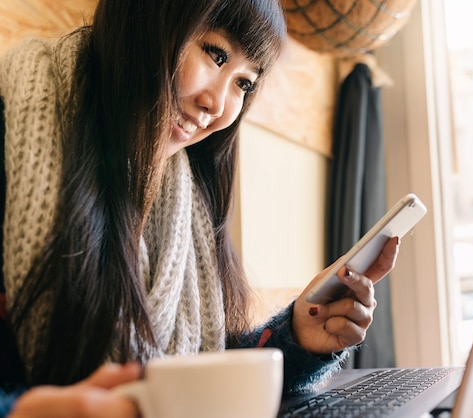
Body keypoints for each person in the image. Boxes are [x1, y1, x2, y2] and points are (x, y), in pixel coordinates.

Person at [0, 0, 400, 416]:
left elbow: (191, 371)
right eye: (216, 54)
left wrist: (298, 336)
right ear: (144, 21)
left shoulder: (183, 196)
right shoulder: (12, 136)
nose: (219, 105)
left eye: (243, 84)